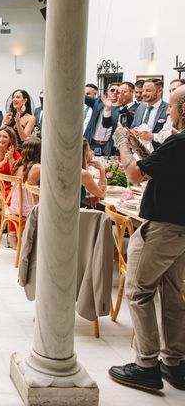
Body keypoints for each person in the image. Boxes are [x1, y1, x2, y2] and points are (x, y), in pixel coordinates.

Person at [108, 85, 185, 392]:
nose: (169, 111)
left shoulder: (179, 141)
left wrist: (123, 146)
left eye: (173, 107)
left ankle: (146, 364)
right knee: (172, 293)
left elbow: (135, 175)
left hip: (163, 226)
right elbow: (159, 167)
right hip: (181, 228)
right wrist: (139, 146)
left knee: (139, 292)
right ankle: (174, 362)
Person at [7, 138, 41, 248]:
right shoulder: (37, 167)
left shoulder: (19, 164)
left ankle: (13, 235)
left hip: (16, 206)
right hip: (30, 209)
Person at [131, 78, 169, 151]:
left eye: (148, 91)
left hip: (160, 153)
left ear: (159, 91)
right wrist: (133, 131)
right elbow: (133, 126)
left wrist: (152, 136)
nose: (144, 94)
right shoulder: (140, 108)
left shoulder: (168, 109)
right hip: (139, 152)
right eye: (143, 90)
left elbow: (172, 136)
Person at [84, 83, 118, 156]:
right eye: (112, 90)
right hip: (92, 143)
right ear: (108, 92)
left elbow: (107, 124)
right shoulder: (97, 102)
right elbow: (83, 97)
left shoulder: (120, 109)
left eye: (117, 91)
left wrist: (108, 108)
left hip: (107, 146)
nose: (115, 92)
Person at [79, 138, 107, 204]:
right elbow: (102, 194)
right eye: (89, 150)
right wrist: (101, 169)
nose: (92, 152)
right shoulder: (83, 173)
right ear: (83, 153)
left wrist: (92, 193)